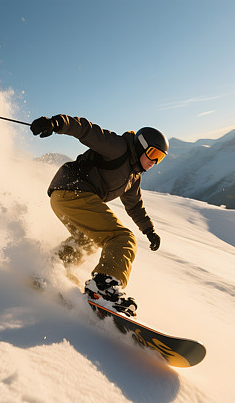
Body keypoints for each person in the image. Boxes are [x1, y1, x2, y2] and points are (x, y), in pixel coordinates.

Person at [31, 114, 167, 317]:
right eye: (153, 153)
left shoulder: (133, 176)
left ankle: (50, 269)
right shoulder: (119, 147)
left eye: (160, 158)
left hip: (64, 196)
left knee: (87, 240)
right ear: (141, 146)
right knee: (122, 238)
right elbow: (86, 130)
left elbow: (135, 206)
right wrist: (56, 123)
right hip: (73, 191)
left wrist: (149, 230)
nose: (154, 161)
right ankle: (103, 287)